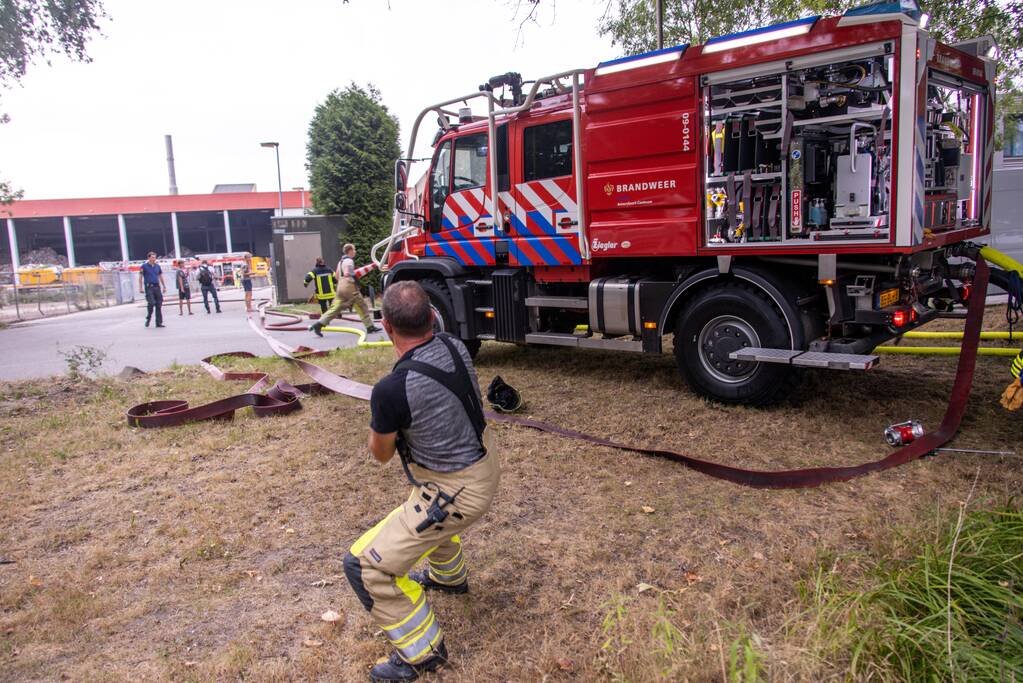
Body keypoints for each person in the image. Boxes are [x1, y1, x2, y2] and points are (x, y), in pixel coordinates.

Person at [343, 281, 500, 683]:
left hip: (457, 490)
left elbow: (379, 455)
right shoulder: (454, 345)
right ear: (432, 317)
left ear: (386, 326)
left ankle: (422, 653)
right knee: (422, 503)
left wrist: (382, 415)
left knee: (363, 567)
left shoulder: (391, 390)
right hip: (481, 463)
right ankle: (449, 578)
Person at [309, 243, 379, 336]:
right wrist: (352, 276)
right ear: (349, 251)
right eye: (354, 250)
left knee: (335, 307)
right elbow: (347, 272)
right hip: (349, 286)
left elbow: (337, 276)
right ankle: (370, 327)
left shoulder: (340, 261)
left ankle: (319, 324)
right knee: (362, 306)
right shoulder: (349, 260)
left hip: (340, 286)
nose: (355, 252)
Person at [138, 251, 166, 328]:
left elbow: (160, 276)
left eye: (155, 257)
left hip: (157, 287)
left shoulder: (157, 266)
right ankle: (149, 317)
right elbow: (140, 277)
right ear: (149, 258)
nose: (154, 259)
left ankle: (158, 322)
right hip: (149, 287)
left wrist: (164, 286)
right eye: (152, 257)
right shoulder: (144, 266)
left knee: (159, 304)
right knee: (152, 302)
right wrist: (140, 288)